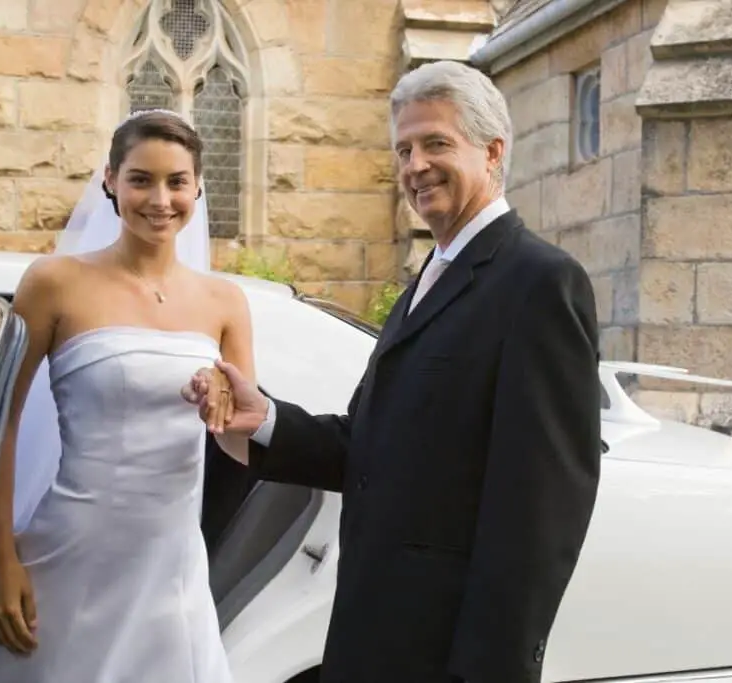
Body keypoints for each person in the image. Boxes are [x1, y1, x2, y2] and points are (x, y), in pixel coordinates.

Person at [184, 60, 602, 683]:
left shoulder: (539, 282)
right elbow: (371, 446)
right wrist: (265, 419)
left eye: (436, 143)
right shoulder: (429, 281)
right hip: (372, 636)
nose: (415, 166)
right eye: (404, 149)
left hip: (446, 657)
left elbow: (540, 511)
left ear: (493, 152)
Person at [0, 109, 251, 683]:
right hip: (69, 559)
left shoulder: (226, 301)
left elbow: (245, 442)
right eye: (141, 179)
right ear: (110, 181)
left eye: (177, 181)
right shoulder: (53, 283)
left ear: (199, 187)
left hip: (170, 575)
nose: (160, 199)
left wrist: (222, 396)